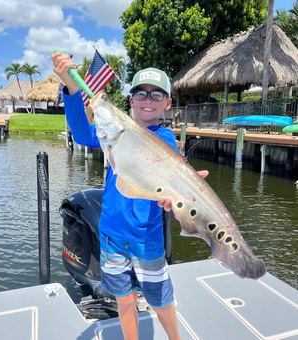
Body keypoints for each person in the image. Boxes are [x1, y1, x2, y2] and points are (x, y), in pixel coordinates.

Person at [52, 52, 208, 340]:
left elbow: (167, 179)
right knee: (124, 300)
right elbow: (82, 131)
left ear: (167, 103)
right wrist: (71, 88)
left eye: (156, 95)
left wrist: (178, 193)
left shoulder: (164, 137)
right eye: (141, 93)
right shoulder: (112, 132)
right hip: (111, 234)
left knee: (161, 301)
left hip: (146, 237)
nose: (148, 99)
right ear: (131, 100)